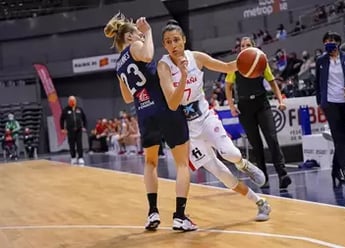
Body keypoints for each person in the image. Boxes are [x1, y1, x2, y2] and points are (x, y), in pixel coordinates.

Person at [158, 20, 271, 221]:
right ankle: (260, 203)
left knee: (230, 153)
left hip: (205, 117)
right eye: (168, 42)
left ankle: (243, 163)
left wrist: (252, 57)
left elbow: (228, 67)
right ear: (164, 45)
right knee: (222, 175)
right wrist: (183, 74)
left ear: (184, 40)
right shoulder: (163, 66)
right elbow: (173, 104)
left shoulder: (196, 58)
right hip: (187, 131)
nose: (173, 44)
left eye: (176, 39)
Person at [104, 13, 196, 231]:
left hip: (144, 113)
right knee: (182, 163)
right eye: (135, 34)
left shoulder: (118, 66)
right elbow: (147, 56)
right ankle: (180, 216)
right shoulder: (135, 46)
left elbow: (127, 98)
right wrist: (148, 33)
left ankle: (152, 212)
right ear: (128, 38)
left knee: (150, 163)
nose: (139, 36)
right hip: (164, 108)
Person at [225, 37, 292, 190]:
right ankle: (264, 178)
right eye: (242, 45)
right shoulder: (235, 65)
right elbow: (228, 87)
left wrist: (280, 100)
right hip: (244, 106)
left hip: (262, 103)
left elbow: (272, 81)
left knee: (272, 138)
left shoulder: (261, 61)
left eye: (248, 45)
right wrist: (231, 106)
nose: (244, 47)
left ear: (254, 47)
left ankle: (283, 175)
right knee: (256, 144)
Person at [315, 31, 345, 186]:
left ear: (339, 42)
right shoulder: (321, 61)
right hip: (330, 103)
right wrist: (320, 102)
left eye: (333, 40)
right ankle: (344, 170)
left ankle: (335, 168)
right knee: (338, 136)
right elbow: (317, 83)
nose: (330, 42)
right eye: (327, 40)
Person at [59, 96, 87, 165]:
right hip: (70, 130)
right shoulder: (65, 110)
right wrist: (62, 128)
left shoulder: (79, 109)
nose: (72, 102)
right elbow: (62, 119)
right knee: (71, 144)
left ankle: (80, 157)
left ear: (75, 101)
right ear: (68, 102)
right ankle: (73, 157)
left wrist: (84, 127)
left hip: (79, 129)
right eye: (71, 100)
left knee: (79, 143)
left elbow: (84, 118)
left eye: (73, 100)